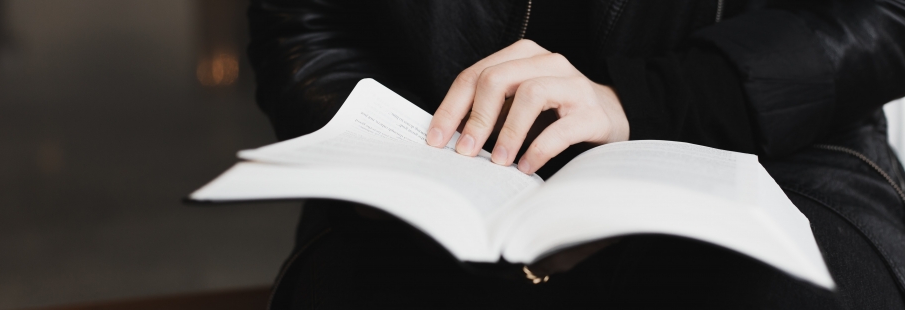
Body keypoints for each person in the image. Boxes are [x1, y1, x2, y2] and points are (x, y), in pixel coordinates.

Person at [248, 0, 905, 308]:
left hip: (775, 153)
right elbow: (303, 26)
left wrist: (650, 100)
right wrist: (393, 160)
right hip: (438, 173)